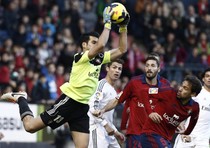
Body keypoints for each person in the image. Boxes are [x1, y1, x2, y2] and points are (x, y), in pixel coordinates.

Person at [0, 6, 130, 148]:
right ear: (84, 45)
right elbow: (101, 44)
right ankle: (21, 98)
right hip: (69, 102)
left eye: (96, 42)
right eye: (93, 42)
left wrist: (123, 27)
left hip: (82, 108)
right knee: (30, 127)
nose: (97, 45)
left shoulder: (99, 58)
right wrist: (107, 23)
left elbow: (122, 49)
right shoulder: (80, 57)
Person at [93, 53, 170, 147]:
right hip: (136, 134)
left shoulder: (165, 84)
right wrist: (103, 110)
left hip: (156, 134)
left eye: (153, 65)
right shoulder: (134, 82)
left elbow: (170, 107)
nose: (150, 68)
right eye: (147, 65)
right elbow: (118, 100)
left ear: (159, 68)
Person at [139, 75, 202, 148]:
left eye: (185, 88)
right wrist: (150, 112)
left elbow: (193, 121)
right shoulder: (168, 91)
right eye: (182, 85)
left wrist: (186, 132)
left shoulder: (194, 107)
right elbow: (144, 91)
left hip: (165, 139)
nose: (180, 89)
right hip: (150, 134)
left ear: (193, 94)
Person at [88, 59, 125, 148]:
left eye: (119, 69)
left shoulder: (113, 90)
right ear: (107, 68)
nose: (117, 70)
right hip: (97, 128)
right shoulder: (101, 85)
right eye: (114, 67)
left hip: (108, 131)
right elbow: (93, 108)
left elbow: (107, 116)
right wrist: (106, 125)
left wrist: (116, 132)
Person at [173, 68, 210, 148]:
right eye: (207, 76)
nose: (209, 78)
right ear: (203, 79)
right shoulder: (196, 92)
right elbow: (181, 109)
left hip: (203, 141)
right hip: (187, 136)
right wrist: (183, 129)